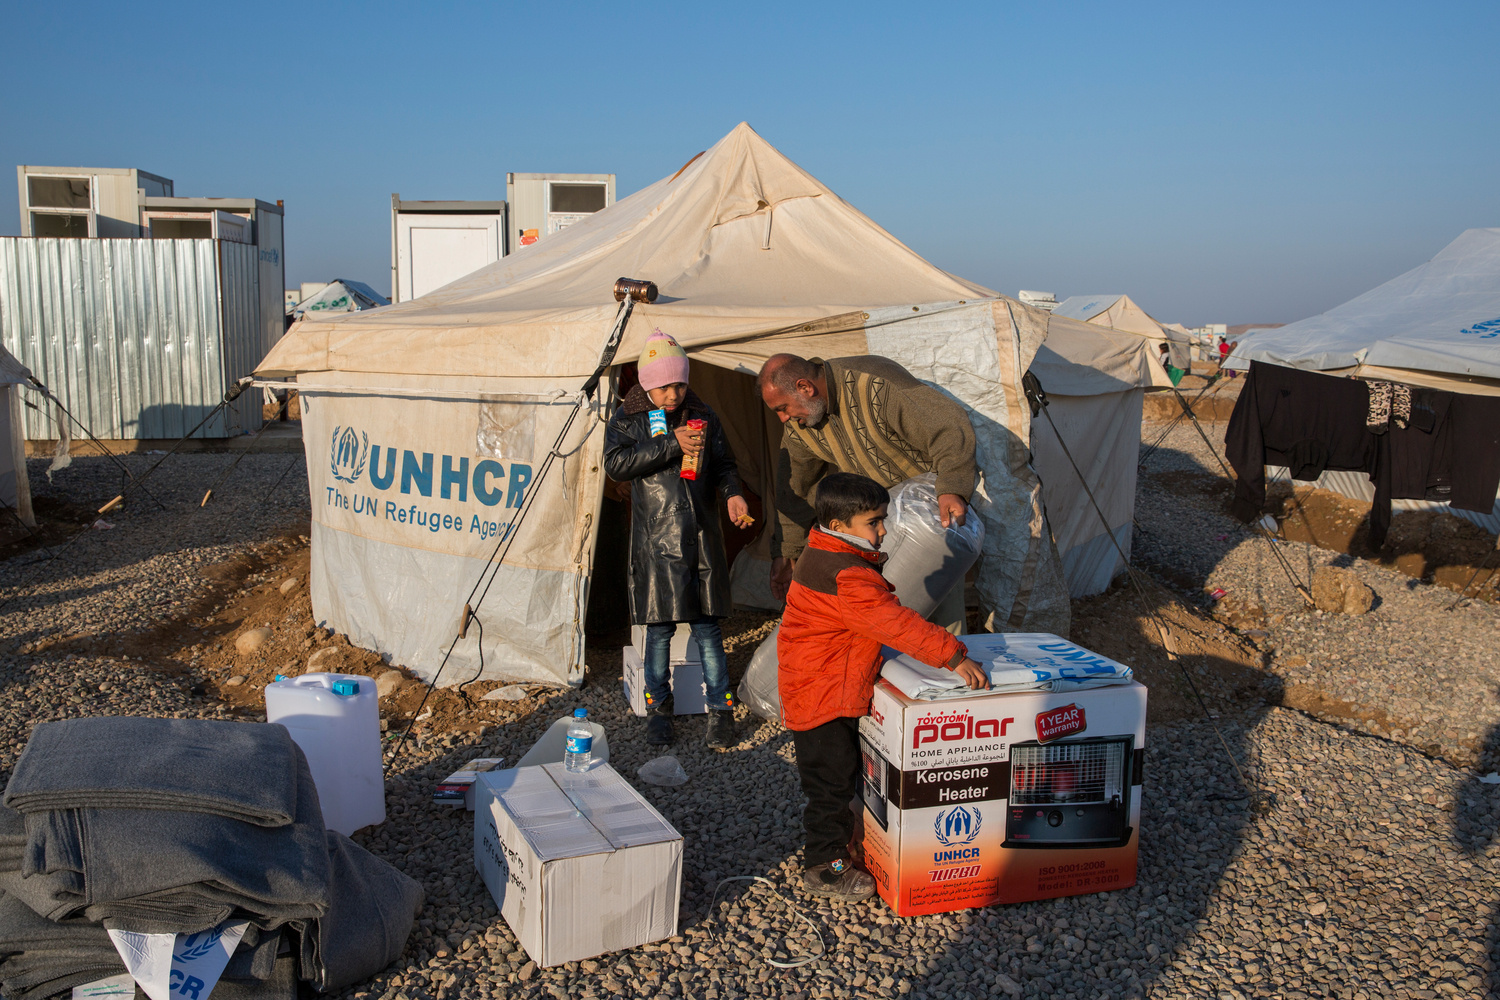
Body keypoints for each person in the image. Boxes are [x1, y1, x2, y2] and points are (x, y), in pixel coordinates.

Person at [778, 472, 990, 900]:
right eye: (873, 522)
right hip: (823, 694)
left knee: (838, 775)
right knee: (830, 784)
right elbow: (896, 623)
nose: (883, 531)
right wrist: (954, 655)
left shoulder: (823, 550)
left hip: (818, 681)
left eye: (882, 520)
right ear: (839, 526)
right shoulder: (847, 576)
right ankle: (825, 866)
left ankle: (848, 841)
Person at [604, 330, 754, 749]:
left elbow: (724, 464)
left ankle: (721, 709)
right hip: (656, 540)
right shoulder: (627, 418)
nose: (673, 395)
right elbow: (616, 465)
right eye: (665, 386)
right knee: (659, 631)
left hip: (702, 536)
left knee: (708, 629)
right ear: (647, 384)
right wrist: (672, 443)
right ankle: (658, 708)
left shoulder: (703, 413)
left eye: (680, 385)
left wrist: (733, 493)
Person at [756, 354, 979, 616]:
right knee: (884, 610)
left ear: (805, 387)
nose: (783, 419)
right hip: (875, 528)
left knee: (938, 605)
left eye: (783, 408)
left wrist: (952, 487)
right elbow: (796, 488)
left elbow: (947, 427)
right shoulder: (800, 425)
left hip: (928, 516)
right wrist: (786, 552)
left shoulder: (874, 383)